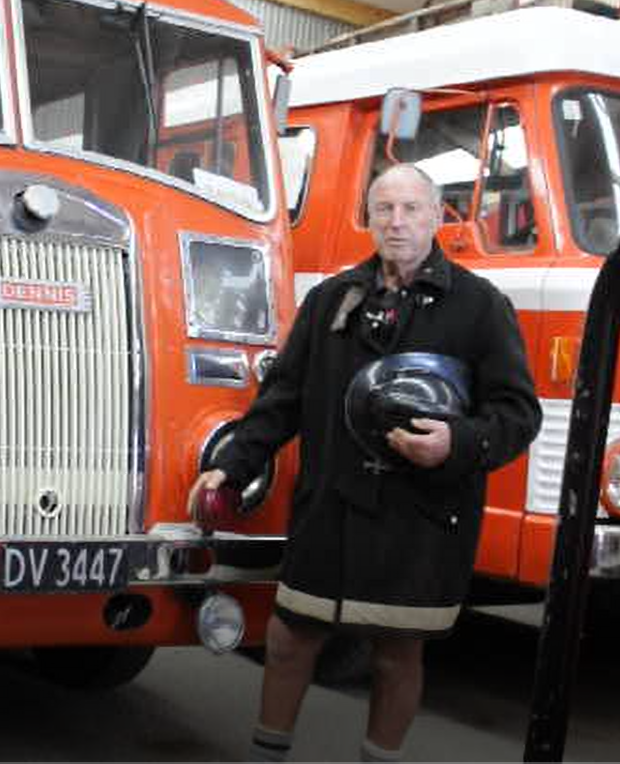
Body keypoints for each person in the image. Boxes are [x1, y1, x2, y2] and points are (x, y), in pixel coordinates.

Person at [187, 164, 542, 763]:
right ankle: (266, 755)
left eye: (410, 209)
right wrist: (232, 463)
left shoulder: (480, 308)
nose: (396, 221)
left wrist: (455, 444)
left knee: (396, 654)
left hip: (421, 518)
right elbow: (283, 400)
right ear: (370, 218)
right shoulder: (332, 299)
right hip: (331, 507)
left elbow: (518, 413)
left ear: (437, 217)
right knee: (289, 636)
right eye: (383, 209)